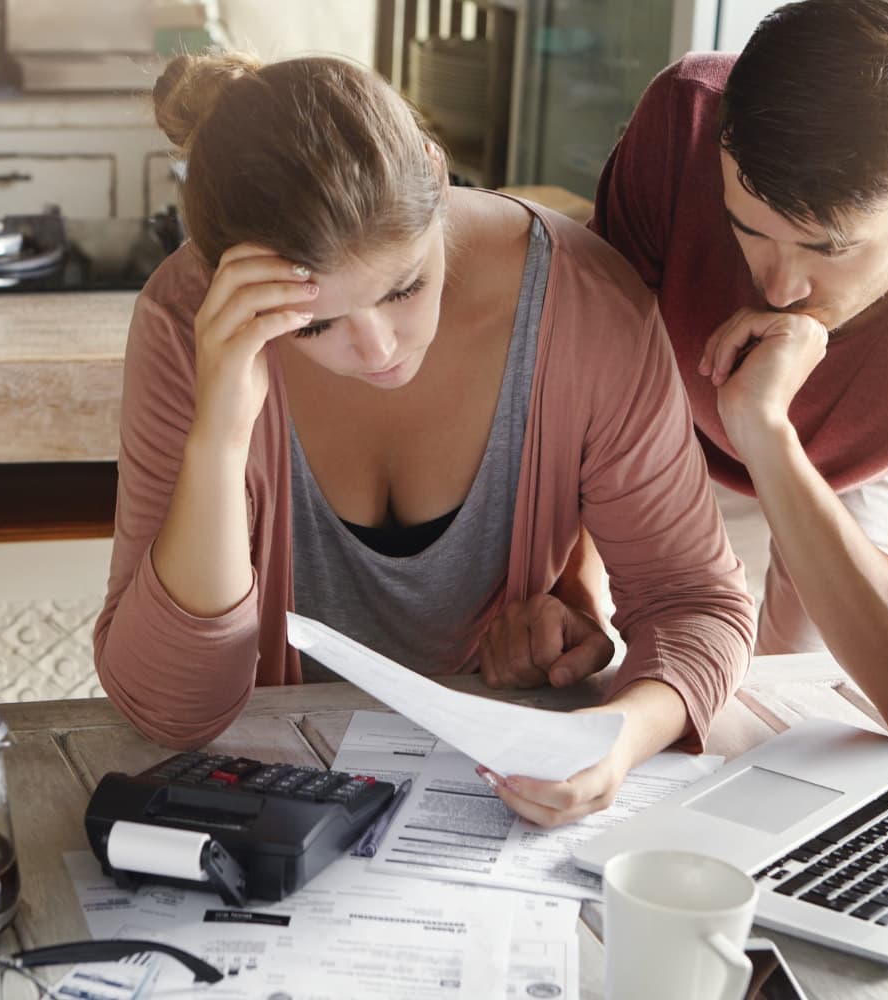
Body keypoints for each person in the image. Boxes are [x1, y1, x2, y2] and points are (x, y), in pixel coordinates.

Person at [93, 51, 755, 827]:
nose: (377, 350)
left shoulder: (584, 303)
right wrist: (219, 435)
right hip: (278, 802)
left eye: (403, 286)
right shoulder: (187, 323)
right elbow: (173, 711)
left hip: (484, 810)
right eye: (314, 323)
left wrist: (615, 739)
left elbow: (696, 602)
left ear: (437, 179)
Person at [576, 0, 888, 745]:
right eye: (751, 230)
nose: (778, 291)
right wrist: (570, 603)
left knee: (799, 726)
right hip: (658, 423)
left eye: (829, 250)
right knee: (634, 693)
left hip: (853, 472)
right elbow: (575, 389)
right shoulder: (686, 124)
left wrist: (767, 432)